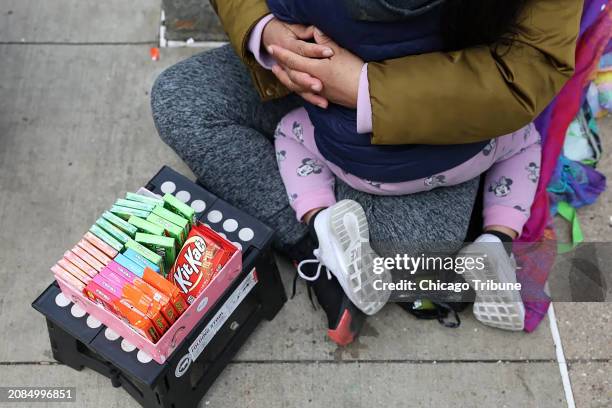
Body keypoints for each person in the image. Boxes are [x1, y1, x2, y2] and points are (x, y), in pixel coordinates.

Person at [151, 0, 582, 345]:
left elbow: (529, 67)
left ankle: (317, 229)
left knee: (412, 255)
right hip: (322, 77)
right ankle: (319, 249)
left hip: (433, 109)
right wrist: (264, 31)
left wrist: (366, 89)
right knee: (182, 100)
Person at [266, 0, 542, 332]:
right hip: (463, 153)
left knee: (289, 132)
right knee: (524, 138)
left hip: (361, 163)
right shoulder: (468, 12)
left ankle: (320, 219)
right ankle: (497, 238)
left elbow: (276, 15)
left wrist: (270, 33)